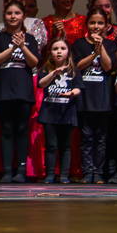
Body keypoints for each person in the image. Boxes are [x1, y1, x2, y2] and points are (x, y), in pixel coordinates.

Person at [0, 0, 40, 183]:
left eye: (17, 13)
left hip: (23, 91)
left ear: (23, 16)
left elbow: (34, 63)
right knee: (7, 129)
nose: (13, 16)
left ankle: (21, 171)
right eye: (9, 13)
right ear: (4, 15)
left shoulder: (30, 39)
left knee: (22, 129)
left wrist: (23, 46)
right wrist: (13, 48)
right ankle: (7, 172)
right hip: (4, 91)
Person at [74, 7, 116, 183]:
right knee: (86, 138)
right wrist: (94, 54)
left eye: (100, 23)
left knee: (100, 139)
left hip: (102, 99)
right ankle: (87, 172)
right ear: (87, 24)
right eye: (92, 22)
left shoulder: (110, 45)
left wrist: (101, 48)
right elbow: (78, 66)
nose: (96, 26)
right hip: (85, 98)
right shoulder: (79, 44)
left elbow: (108, 66)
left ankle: (98, 173)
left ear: (106, 26)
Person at [38, 38, 80, 184]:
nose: (59, 52)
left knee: (65, 146)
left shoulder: (73, 71)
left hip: (67, 113)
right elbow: (41, 84)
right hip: (49, 113)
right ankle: (50, 175)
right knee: (51, 145)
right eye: (55, 49)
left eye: (62, 48)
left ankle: (63, 176)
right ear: (50, 52)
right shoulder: (45, 69)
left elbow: (78, 88)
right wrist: (54, 73)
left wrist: (72, 93)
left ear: (68, 52)